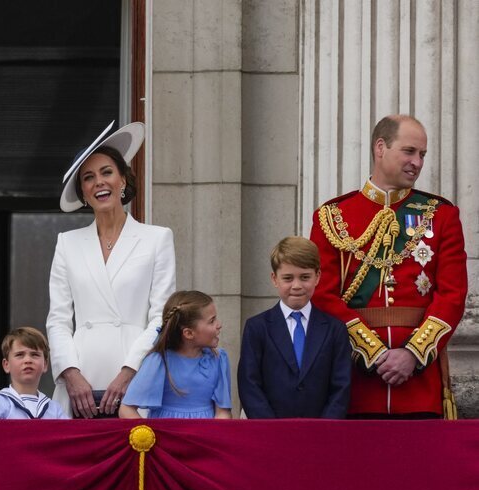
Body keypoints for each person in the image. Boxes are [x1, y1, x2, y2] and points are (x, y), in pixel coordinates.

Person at [309, 115, 467, 418]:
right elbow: (322, 295)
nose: (417, 162)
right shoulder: (332, 216)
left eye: (422, 154)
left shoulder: (441, 215)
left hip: (419, 385)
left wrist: (412, 354)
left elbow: (452, 295)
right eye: (409, 151)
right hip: (355, 385)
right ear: (380, 147)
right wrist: (373, 353)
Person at [48, 122, 176, 418]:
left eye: (106, 172)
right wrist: (70, 373)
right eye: (88, 178)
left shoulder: (157, 238)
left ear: (123, 180)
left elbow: (161, 315)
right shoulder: (67, 243)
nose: (99, 183)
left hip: (136, 376)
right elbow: (58, 320)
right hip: (80, 381)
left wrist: (129, 371)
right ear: (83, 191)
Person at [238, 237, 351, 418]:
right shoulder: (257, 327)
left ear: (317, 277)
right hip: (271, 434)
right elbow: (249, 384)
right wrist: (271, 429)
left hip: (321, 433)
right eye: (288, 278)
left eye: (305, 277)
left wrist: (325, 428)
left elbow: (341, 386)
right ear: (275, 279)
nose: (296, 286)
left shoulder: (334, 329)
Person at [119, 290, 231, 419]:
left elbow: (223, 412)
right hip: (167, 436)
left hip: (204, 435)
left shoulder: (218, 359)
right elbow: (126, 409)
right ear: (188, 333)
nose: (219, 325)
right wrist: (147, 436)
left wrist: (213, 437)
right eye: (212, 321)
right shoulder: (158, 361)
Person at [0, 326, 67, 420]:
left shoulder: (54, 408)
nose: (28, 360)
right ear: (6, 365)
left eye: (34, 354)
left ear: (45, 364)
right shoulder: (0, 401)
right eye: (19, 355)